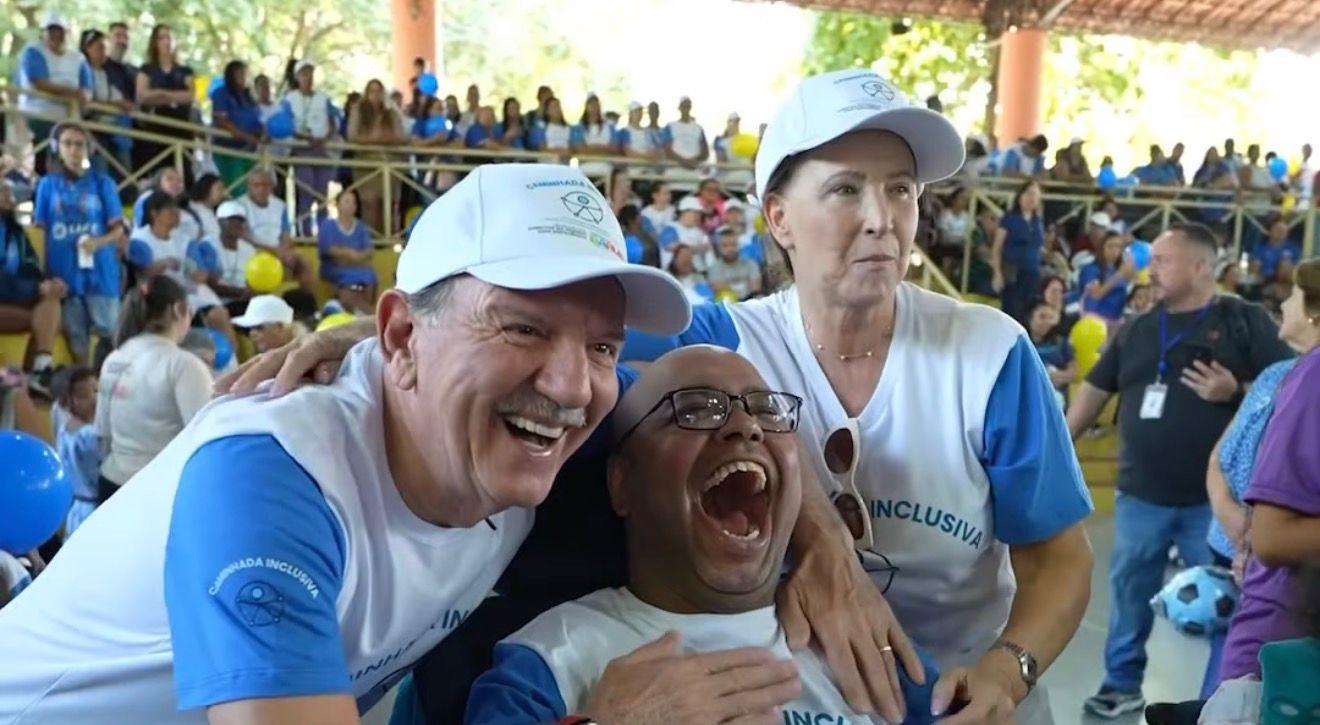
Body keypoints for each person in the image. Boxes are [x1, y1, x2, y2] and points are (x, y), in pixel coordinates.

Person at [218, 73, 1095, 725]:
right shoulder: (718, 337)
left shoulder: (990, 353)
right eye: (846, 188)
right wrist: (378, 340)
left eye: (902, 189)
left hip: (960, 683)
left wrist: (1008, 668)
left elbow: (1060, 555)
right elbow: (558, 341)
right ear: (778, 217)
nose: (882, 217)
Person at [0, 162, 693, 724]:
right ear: (402, 336)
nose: (572, 386)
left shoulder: (536, 419)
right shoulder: (273, 474)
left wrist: (409, 345)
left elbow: (726, 364)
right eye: (523, 328)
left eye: (602, 346)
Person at [463, 345, 937, 724]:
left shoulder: (858, 640)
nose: (746, 426)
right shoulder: (550, 660)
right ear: (622, 483)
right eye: (694, 409)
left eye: (767, 410)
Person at [1065, 222, 1295, 719]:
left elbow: (1293, 385)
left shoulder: (1243, 321)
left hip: (1213, 506)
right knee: (1129, 595)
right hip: (1140, 494)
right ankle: (1120, 685)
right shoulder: (1138, 328)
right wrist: (1059, 450)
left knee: (1229, 604)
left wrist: (1235, 390)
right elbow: (1095, 390)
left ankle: (1221, 699)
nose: (1151, 269)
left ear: (1200, 266)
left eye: (1162, 260)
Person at [1199, 258, 1320, 699]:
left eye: (1293, 296)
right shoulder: (1299, 374)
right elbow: (1273, 535)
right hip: (1287, 615)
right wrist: (1231, 515)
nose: (1283, 305)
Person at [95, 274, 213, 506]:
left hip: (112, 481)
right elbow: (204, 439)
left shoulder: (114, 358)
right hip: (158, 489)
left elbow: (102, 431)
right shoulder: (183, 364)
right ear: (179, 310)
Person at [32, 122, 128, 367]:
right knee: (77, 339)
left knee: (111, 335)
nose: (74, 149)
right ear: (57, 148)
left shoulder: (103, 183)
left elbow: (118, 230)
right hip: (63, 274)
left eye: (79, 144)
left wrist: (99, 242)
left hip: (101, 272)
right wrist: (42, 273)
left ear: (89, 149)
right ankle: (86, 383)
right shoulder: (47, 185)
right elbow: (40, 231)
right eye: (68, 144)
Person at [0, 180, 64, 386]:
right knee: (44, 322)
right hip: (8, 297)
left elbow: (32, 267)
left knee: (50, 304)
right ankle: (32, 377)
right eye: (4, 193)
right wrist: (36, 288)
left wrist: (48, 284)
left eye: (10, 193)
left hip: (14, 299)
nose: (11, 199)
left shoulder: (15, 230)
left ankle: (40, 369)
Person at [16, 11, 91, 176]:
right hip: (37, 114)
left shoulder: (78, 58)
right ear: (43, 33)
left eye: (60, 31)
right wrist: (71, 92)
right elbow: (39, 82)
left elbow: (86, 90)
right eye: (51, 30)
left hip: (69, 117)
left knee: (74, 148)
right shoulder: (33, 52)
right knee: (48, 151)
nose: (56, 35)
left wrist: (78, 95)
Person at [133, 24, 194, 183]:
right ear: (155, 42)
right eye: (162, 38)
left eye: (170, 37)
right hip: (154, 129)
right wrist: (174, 96)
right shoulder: (147, 69)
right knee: (156, 175)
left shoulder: (185, 71)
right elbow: (142, 96)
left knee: (182, 174)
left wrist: (161, 94)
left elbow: (190, 96)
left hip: (181, 129)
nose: (167, 42)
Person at [237, 166, 314, 291]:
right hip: (254, 250)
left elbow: (286, 234)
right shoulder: (239, 205)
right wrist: (274, 251)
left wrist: (284, 250)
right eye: (257, 185)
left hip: (278, 249)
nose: (262, 189)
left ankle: (306, 298)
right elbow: (242, 237)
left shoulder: (280, 205)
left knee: (304, 260)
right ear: (249, 186)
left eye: (266, 185)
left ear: (272, 187)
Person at [347, 79, 407, 235]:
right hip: (366, 165)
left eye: (378, 91)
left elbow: (400, 136)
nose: (375, 95)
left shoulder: (391, 112)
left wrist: (380, 138)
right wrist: (376, 139)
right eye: (372, 91)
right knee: (370, 205)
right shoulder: (359, 111)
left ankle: (387, 241)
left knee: (388, 205)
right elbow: (352, 136)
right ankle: (372, 240)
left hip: (389, 164)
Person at [284, 59, 338, 228]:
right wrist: (303, 137)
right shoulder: (289, 99)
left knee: (322, 194)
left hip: (321, 149)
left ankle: (323, 231)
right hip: (301, 150)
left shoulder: (323, 98)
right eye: (304, 74)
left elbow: (333, 121)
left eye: (310, 73)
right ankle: (304, 231)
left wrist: (325, 138)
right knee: (305, 192)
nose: (308, 77)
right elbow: (285, 123)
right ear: (297, 77)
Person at [52, 366, 101, 537]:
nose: (94, 399)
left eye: (96, 391)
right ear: (67, 402)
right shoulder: (89, 436)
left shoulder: (65, 429)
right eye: (83, 396)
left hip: (76, 510)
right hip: (92, 510)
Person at [79, 28, 135, 178]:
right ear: (87, 49)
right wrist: (113, 105)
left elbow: (117, 98)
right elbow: (86, 100)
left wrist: (121, 104)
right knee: (100, 169)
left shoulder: (105, 73)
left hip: (111, 129)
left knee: (122, 169)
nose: (104, 51)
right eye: (99, 47)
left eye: (105, 48)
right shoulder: (82, 70)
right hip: (91, 129)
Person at [990, 179, 1046, 324]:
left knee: (1028, 312)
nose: (1031, 198)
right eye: (1028, 194)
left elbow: (1039, 246)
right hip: (1013, 273)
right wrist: (997, 273)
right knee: (1012, 312)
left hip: (1032, 273)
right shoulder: (1009, 218)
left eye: (1034, 194)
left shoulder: (1038, 220)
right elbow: (997, 248)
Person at [317, 189, 376, 314]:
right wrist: (348, 253)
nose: (351, 205)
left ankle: (362, 310)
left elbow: (369, 251)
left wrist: (357, 257)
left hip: (356, 266)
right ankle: (366, 312)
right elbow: (328, 249)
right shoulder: (328, 225)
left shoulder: (360, 226)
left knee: (370, 275)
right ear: (338, 205)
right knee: (351, 280)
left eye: (353, 202)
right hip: (334, 268)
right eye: (347, 201)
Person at [210, 60, 264, 191]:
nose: (243, 76)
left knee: (251, 189)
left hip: (249, 151)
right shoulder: (222, 93)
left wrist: (263, 133)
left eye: (244, 73)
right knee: (236, 188)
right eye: (239, 73)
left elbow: (257, 118)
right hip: (228, 149)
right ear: (231, 75)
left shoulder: (248, 96)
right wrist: (243, 135)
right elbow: (221, 120)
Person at [1078, 231, 1137, 323]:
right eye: (1110, 246)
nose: (1114, 250)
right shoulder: (1090, 269)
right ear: (1102, 248)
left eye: (1118, 246)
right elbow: (1094, 295)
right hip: (1094, 321)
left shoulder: (1118, 269)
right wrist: (1118, 275)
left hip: (1116, 321)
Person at [208, 200, 258, 305]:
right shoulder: (208, 245)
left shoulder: (249, 249)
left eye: (241, 220)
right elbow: (209, 284)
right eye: (232, 220)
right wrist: (238, 293)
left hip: (242, 301)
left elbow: (252, 282)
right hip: (215, 302)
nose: (238, 224)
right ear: (220, 222)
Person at [1027, 302, 1075, 406]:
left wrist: (1059, 376)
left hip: (1055, 396)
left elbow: (1073, 371)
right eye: (1042, 317)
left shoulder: (1061, 343)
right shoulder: (1020, 343)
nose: (1047, 322)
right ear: (1030, 319)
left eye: (1050, 318)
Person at [706, 225, 763, 301]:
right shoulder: (714, 268)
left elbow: (756, 288)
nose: (730, 249)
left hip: (750, 301)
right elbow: (719, 290)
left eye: (733, 245)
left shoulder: (750, 263)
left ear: (738, 245)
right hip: (728, 303)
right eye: (725, 246)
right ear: (719, 248)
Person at [233, 293, 298, 353]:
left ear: (280, 327)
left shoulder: (302, 356)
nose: (252, 333)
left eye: (258, 327)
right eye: (250, 328)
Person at [658, 196, 709, 271]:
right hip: (673, 273)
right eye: (695, 212)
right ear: (684, 212)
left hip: (698, 273)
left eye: (699, 213)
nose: (698, 216)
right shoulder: (669, 228)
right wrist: (698, 248)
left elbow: (707, 248)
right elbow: (672, 247)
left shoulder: (700, 232)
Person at [663, 96, 709, 172]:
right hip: (674, 171)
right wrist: (683, 161)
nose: (686, 108)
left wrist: (693, 161)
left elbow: (705, 152)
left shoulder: (698, 128)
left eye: (688, 106)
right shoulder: (670, 126)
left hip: (693, 171)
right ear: (679, 108)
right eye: (684, 106)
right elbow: (667, 149)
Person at [1251, 218, 1302, 282]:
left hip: (1288, 281)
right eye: (1278, 230)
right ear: (1270, 231)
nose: (1281, 232)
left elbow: (1299, 266)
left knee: (1285, 264)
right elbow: (1254, 269)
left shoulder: (1294, 248)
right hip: (1266, 279)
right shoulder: (1260, 249)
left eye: (1283, 230)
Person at [185, 172, 226, 246]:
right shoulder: (192, 212)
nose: (222, 193)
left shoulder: (213, 211)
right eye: (219, 189)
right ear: (207, 188)